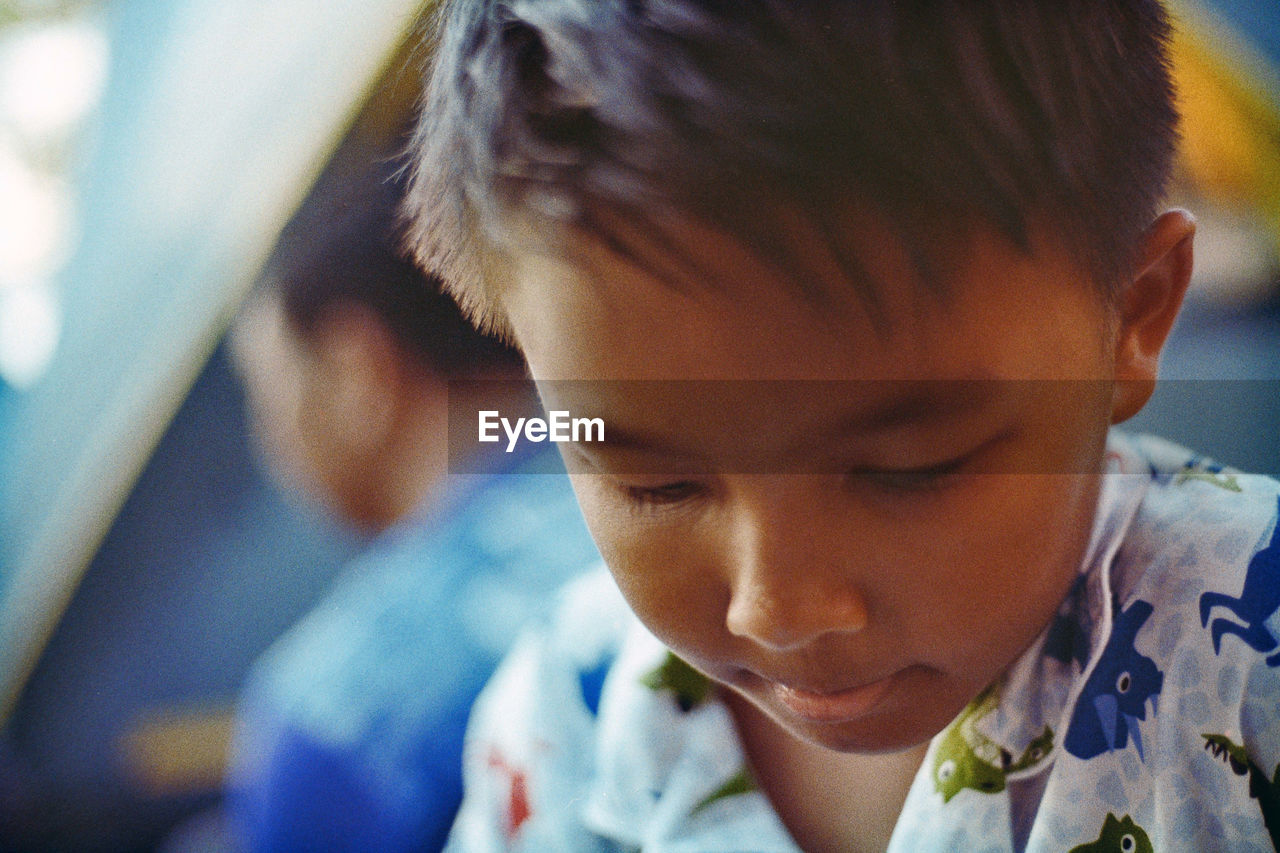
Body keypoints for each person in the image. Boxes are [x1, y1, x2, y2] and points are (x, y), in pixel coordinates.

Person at [399, 1, 1280, 851]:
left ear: (1133, 313)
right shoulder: (561, 723)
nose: (780, 611)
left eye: (910, 468)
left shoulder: (1253, 666)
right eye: (655, 483)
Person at [224, 171, 600, 852]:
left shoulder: (335, 716)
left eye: (268, 397)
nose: (271, 446)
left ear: (357, 371)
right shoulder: (701, 500)